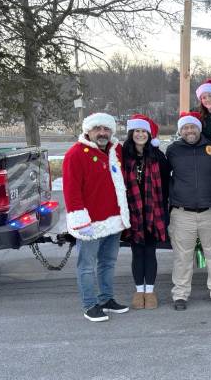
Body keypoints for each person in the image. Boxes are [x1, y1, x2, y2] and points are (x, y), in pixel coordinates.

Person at [63, 113, 130, 322]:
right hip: (89, 224)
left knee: (108, 262)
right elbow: (71, 190)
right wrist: (80, 220)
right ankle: (90, 305)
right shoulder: (75, 154)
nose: (102, 133)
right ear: (88, 131)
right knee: (86, 265)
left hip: (113, 220)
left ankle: (106, 299)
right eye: (97, 129)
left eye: (106, 129)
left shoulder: (115, 150)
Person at [166, 111, 211, 311]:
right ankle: (180, 294)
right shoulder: (173, 150)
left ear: (198, 129)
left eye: (192, 127)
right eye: (185, 128)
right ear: (180, 131)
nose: (189, 130)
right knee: (182, 257)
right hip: (183, 213)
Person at [122, 114, 170, 310]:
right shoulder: (123, 155)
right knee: (136, 253)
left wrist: (163, 212)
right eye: (137, 131)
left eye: (144, 131)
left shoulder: (158, 156)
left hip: (153, 211)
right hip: (132, 211)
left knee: (150, 252)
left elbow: (166, 186)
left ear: (149, 135)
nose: (140, 134)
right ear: (131, 134)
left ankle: (149, 292)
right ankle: (138, 291)